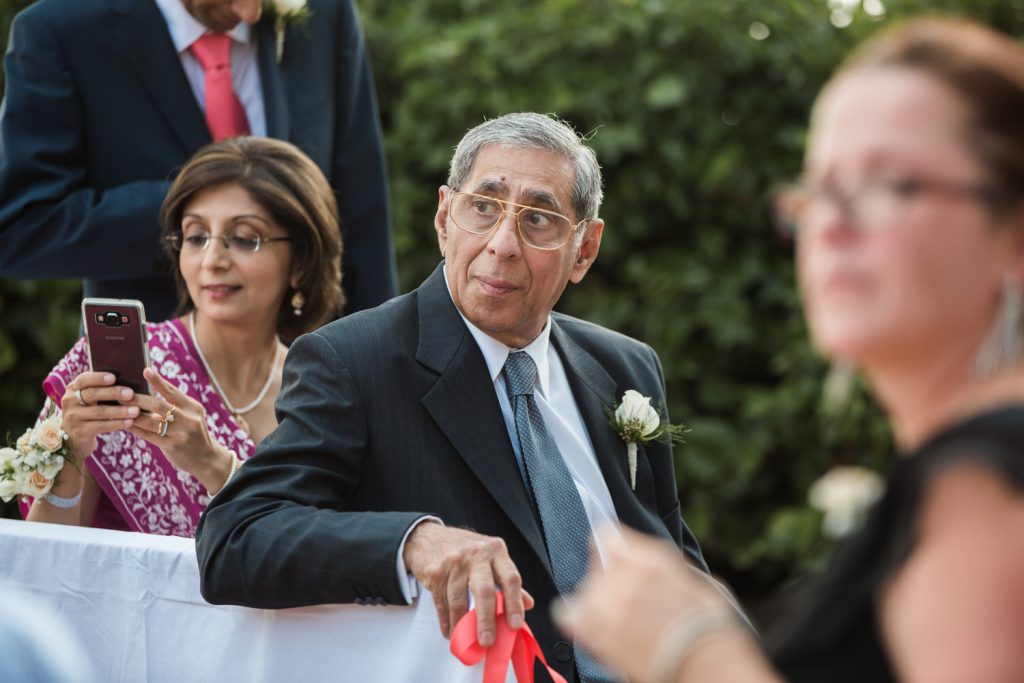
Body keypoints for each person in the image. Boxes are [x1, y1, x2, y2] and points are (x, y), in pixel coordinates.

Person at [555, 17, 1024, 683]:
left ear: (1013, 233)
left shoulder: (985, 490)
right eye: (819, 189)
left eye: (891, 183)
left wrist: (691, 649)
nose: (831, 224)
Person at [195, 112, 719, 683]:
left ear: (585, 249)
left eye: (539, 219)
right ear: (445, 217)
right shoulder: (354, 360)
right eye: (484, 207)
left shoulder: (625, 366)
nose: (502, 245)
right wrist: (413, 540)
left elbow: (676, 556)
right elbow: (236, 539)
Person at [22, 136, 344, 537]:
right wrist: (69, 456)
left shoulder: (325, 389)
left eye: (245, 238)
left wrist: (213, 466)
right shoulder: (107, 376)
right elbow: (43, 566)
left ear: (300, 262)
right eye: (195, 236)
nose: (213, 260)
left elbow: (328, 551)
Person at [0, 0, 395, 321]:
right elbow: (23, 225)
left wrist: (378, 371)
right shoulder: (62, 32)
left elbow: (362, 218)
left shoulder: (329, 12)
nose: (252, 14)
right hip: (153, 383)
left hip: (310, 371)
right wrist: (207, 215)